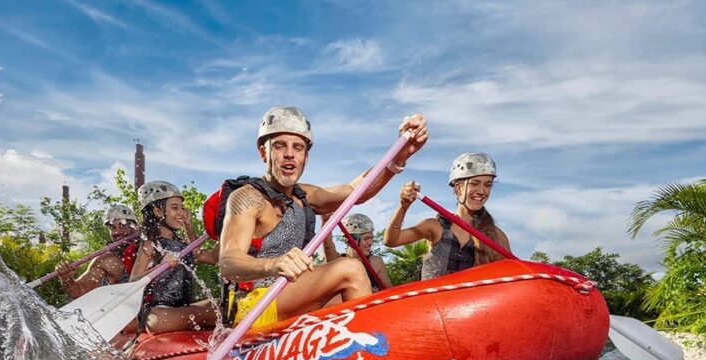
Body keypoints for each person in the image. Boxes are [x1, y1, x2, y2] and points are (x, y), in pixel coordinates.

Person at [218, 106, 428, 326]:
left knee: (352, 299)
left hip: (288, 296)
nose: (289, 154)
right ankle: (372, 348)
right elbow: (229, 262)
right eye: (279, 146)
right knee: (350, 268)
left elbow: (356, 191)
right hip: (251, 307)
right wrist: (275, 265)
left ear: (305, 157)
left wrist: (402, 153)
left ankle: (357, 350)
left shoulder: (306, 195)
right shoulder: (248, 197)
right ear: (263, 152)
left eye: (298, 147)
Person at [383, 152, 510, 280]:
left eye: (488, 185)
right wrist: (403, 206)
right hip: (431, 299)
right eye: (475, 183)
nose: (482, 191)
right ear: (458, 188)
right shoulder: (435, 226)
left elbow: (513, 272)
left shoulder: (497, 236)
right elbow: (391, 240)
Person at [129, 180, 220, 334]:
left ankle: (218, 315)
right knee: (156, 320)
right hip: (163, 312)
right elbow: (132, 283)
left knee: (221, 303)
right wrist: (159, 267)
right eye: (174, 208)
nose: (182, 212)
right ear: (158, 211)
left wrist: (225, 230)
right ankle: (219, 317)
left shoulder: (183, 244)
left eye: (182, 208)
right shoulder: (151, 244)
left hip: (184, 309)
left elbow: (210, 258)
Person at [56, 204, 139, 299]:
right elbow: (78, 291)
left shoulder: (148, 246)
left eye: (122, 226)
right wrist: (66, 279)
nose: (117, 232)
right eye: (112, 228)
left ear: (133, 227)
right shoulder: (105, 259)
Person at [321, 213, 393, 291]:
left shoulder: (376, 262)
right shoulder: (339, 261)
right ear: (351, 241)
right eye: (366, 239)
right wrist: (326, 221)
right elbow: (328, 247)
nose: (370, 242)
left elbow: (389, 290)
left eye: (371, 238)